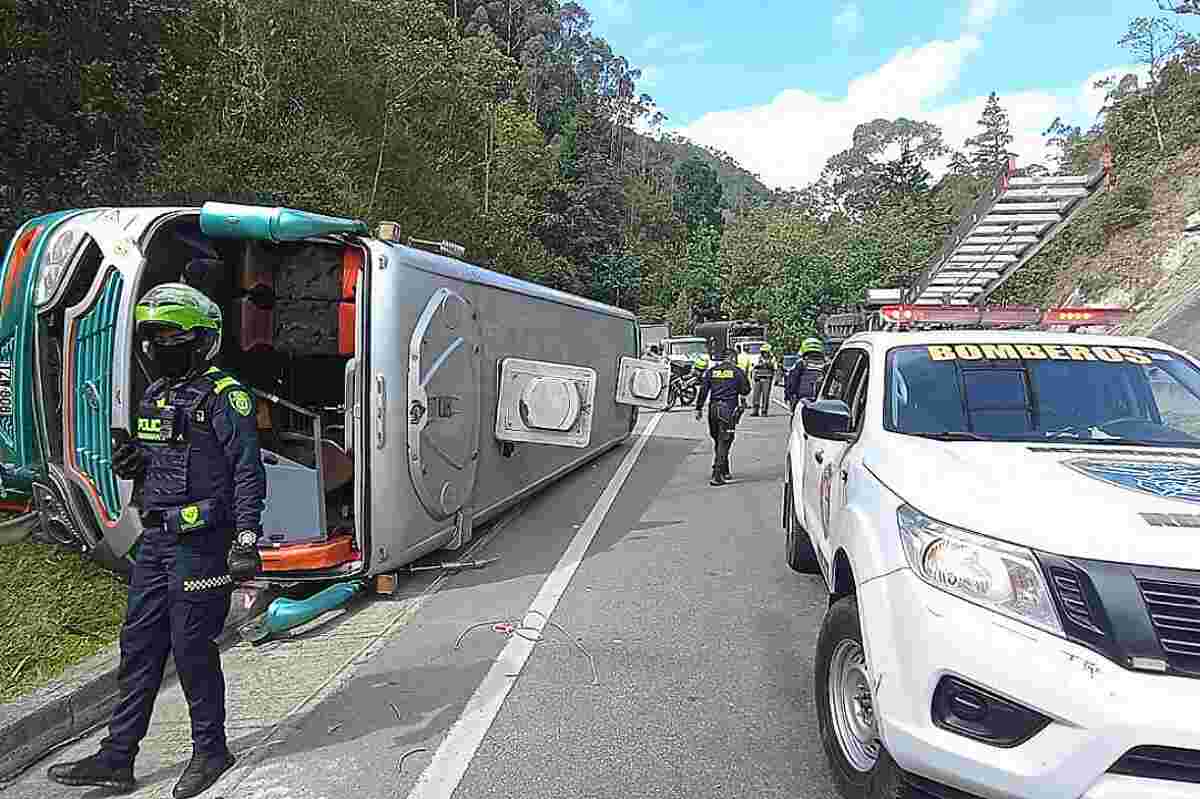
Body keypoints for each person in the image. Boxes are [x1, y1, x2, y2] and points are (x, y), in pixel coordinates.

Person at [48, 283, 267, 799]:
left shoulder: (225, 396)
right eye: (152, 336)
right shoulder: (156, 395)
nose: (159, 345)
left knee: (192, 648)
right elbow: (168, 462)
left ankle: (211, 750)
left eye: (171, 334)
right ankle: (118, 756)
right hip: (157, 540)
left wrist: (246, 537)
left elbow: (247, 473)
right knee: (141, 646)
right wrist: (137, 464)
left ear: (202, 340)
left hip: (203, 542)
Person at [695, 347, 750, 486]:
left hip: (713, 410)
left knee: (718, 440)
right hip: (727, 411)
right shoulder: (737, 372)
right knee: (724, 441)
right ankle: (717, 474)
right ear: (732, 358)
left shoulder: (712, 371)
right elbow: (746, 390)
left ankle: (725, 469)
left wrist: (698, 408)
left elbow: (703, 390)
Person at [786, 337, 828, 413]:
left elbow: (792, 381)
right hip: (822, 399)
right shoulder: (826, 364)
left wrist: (789, 395)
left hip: (803, 399)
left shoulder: (800, 363)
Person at [750, 343, 777, 417]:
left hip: (767, 379)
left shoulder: (772, 359)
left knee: (766, 395)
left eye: (766, 352)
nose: (765, 354)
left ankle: (764, 411)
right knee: (756, 395)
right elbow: (753, 367)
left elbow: (774, 368)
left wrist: (768, 364)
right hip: (758, 378)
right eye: (763, 352)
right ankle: (755, 410)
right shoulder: (758, 358)